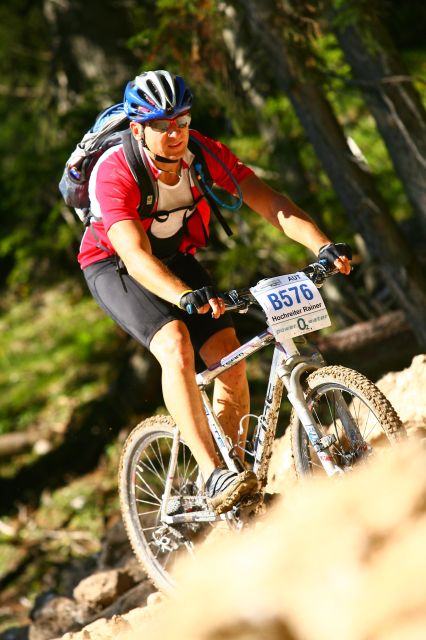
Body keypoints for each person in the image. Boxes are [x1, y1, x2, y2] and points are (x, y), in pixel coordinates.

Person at [79, 70, 352, 515]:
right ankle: (211, 473)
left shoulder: (203, 153)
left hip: (172, 256)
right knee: (175, 344)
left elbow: (268, 201)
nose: (175, 134)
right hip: (115, 264)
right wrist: (182, 296)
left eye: (182, 122)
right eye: (161, 125)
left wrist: (322, 245)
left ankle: (237, 479)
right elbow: (133, 254)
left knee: (229, 354)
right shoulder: (114, 171)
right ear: (138, 129)